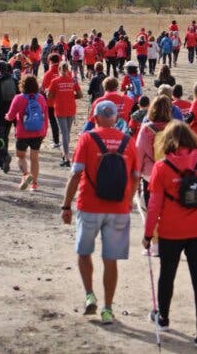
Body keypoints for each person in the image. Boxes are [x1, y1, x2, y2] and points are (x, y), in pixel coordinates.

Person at [61, 101, 139, 325]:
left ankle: (89, 295)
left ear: (95, 117)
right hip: (118, 208)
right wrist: (129, 199)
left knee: (84, 252)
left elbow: (76, 175)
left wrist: (66, 205)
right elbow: (135, 176)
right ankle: (107, 308)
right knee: (110, 259)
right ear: (116, 118)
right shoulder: (128, 141)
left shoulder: (87, 138)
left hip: (90, 205)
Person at [143, 121, 197, 350]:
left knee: (167, 274)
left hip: (171, 229)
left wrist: (148, 234)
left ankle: (163, 317)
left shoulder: (162, 166)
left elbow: (154, 204)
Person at [6, 74, 49, 192]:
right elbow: (45, 116)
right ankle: (34, 184)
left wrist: (6, 117)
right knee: (34, 158)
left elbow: (10, 116)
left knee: (20, 157)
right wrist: (45, 130)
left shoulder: (18, 98)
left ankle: (25, 174)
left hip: (23, 133)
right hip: (38, 132)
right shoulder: (41, 98)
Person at [136, 95, 174, 219]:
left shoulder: (146, 129)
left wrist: (136, 176)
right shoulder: (175, 128)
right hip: (170, 174)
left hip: (149, 174)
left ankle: (152, 236)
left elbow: (139, 154)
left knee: (148, 210)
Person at [48, 62, 83, 167]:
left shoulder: (55, 81)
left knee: (64, 133)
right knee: (66, 132)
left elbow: (49, 96)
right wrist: (71, 97)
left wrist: (57, 95)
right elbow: (80, 95)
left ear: (59, 69)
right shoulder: (73, 80)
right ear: (68, 69)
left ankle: (66, 157)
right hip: (71, 108)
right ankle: (65, 155)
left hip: (60, 108)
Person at [41, 53, 62, 149]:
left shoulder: (48, 74)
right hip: (63, 101)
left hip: (50, 102)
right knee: (63, 121)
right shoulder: (65, 71)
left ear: (50, 61)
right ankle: (64, 139)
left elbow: (43, 88)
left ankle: (56, 141)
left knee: (53, 122)